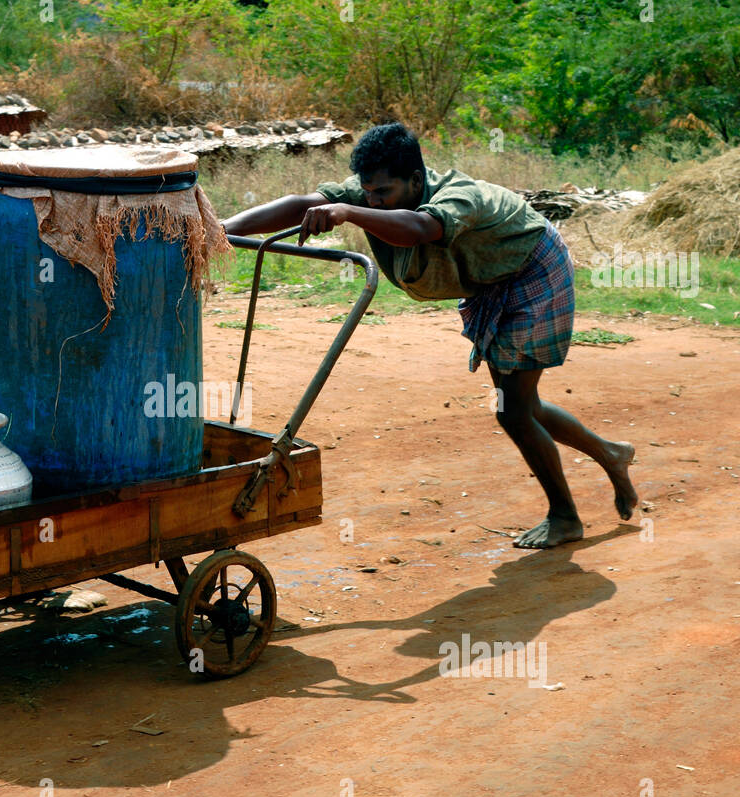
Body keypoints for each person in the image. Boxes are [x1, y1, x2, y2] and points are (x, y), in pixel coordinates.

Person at [220, 122, 638, 549]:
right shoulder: (372, 192)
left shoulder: (458, 196)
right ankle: (611, 454)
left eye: (383, 193)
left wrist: (348, 213)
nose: (372, 200)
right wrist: (220, 230)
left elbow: (420, 229)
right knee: (522, 403)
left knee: (512, 409)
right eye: (367, 192)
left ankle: (566, 516)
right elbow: (302, 204)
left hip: (533, 268)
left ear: (415, 180)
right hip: (493, 277)